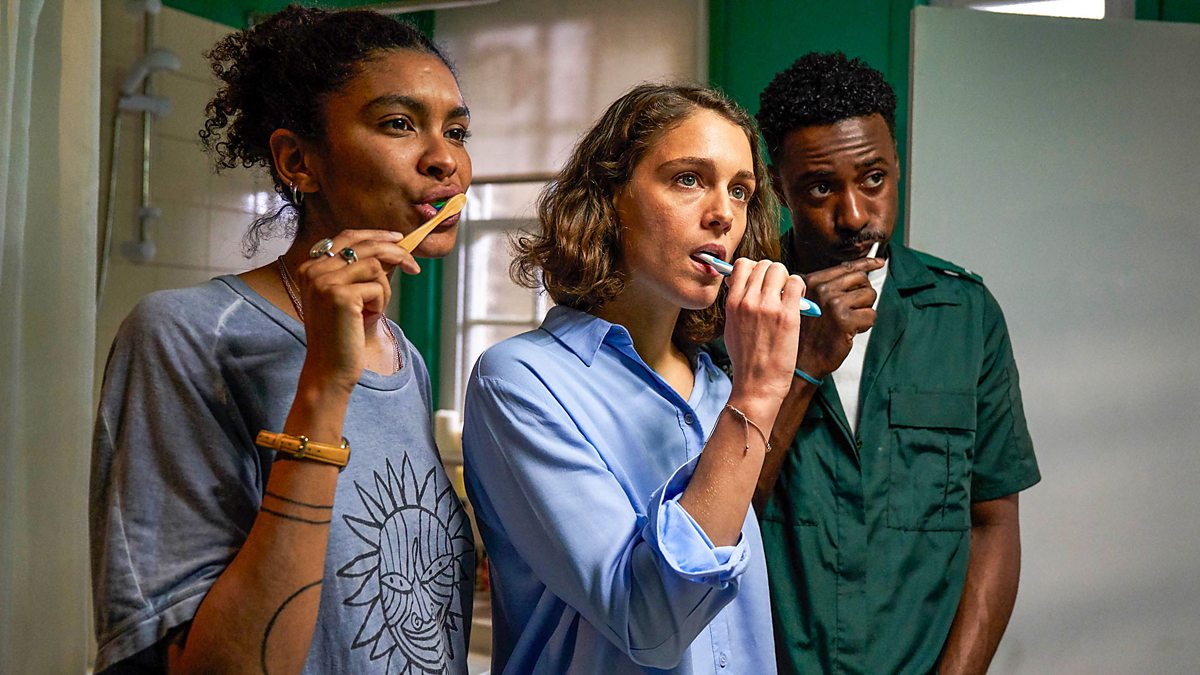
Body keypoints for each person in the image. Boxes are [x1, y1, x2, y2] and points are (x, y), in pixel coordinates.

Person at [89, 7, 475, 674]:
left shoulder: (402, 355)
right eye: (398, 123)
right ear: (298, 160)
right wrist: (324, 384)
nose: (446, 159)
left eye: (458, 130)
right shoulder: (185, 336)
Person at [460, 83, 805, 674]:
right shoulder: (521, 382)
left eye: (741, 190)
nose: (724, 212)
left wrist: (744, 394)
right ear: (610, 196)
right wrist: (760, 394)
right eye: (689, 179)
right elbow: (649, 623)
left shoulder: (719, 389)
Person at [738, 51, 1042, 674]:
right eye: (822, 187)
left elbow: (993, 522)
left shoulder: (963, 313)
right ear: (778, 188)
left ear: (898, 166)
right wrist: (805, 367)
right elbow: (717, 516)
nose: (854, 215)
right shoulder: (731, 315)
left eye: (873, 178)